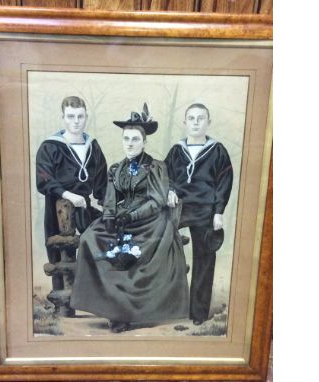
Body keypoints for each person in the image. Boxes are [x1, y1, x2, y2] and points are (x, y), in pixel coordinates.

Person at [70, 105, 189, 333]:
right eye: (126, 139)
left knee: (134, 251)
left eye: (135, 139)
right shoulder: (116, 169)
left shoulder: (156, 167)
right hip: (122, 220)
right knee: (90, 239)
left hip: (150, 222)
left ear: (144, 142)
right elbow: (111, 199)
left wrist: (131, 215)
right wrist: (108, 218)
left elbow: (156, 202)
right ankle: (111, 308)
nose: (130, 144)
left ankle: (128, 314)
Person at [165, 103, 233, 326]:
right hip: (180, 208)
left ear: (208, 122)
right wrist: (170, 190)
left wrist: (218, 212)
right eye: (191, 118)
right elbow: (165, 176)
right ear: (184, 123)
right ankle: (166, 305)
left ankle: (198, 313)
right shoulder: (176, 151)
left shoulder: (217, 151)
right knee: (160, 247)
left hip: (205, 210)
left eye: (200, 118)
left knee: (204, 258)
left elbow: (224, 182)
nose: (195, 122)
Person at [36, 96, 107, 291]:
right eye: (70, 116)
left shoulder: (93, 146)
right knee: (60, 255)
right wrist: (67, 194)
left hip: (85, 206)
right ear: (63, 118)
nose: (75, 121)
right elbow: (44, 180)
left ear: (86, 117)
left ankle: (92, 296)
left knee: (100, 242)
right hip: (58, 207)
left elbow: (101, 181)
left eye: (80, 116)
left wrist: (104, 202)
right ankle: (64, 303)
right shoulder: (50, 146)